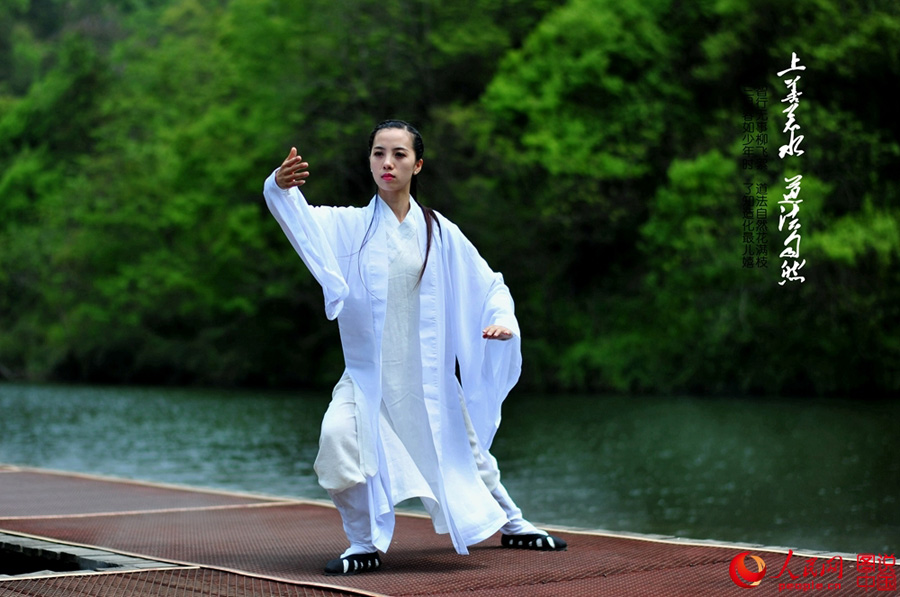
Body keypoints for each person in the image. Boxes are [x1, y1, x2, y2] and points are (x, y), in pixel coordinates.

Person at [263, 120, 566, 576]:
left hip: (428, 379)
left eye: (399, 154)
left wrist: (501, 320)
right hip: (368, 380)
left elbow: (489, 284)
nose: (387, 163)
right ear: (369, 161)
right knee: (337, 441)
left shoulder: (439, 232)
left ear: (417, 164)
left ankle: (513, 523)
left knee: (469, 457)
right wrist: (280, 187)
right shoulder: (350, 226)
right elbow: (300, 219)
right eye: (378, 153)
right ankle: (362, 542)